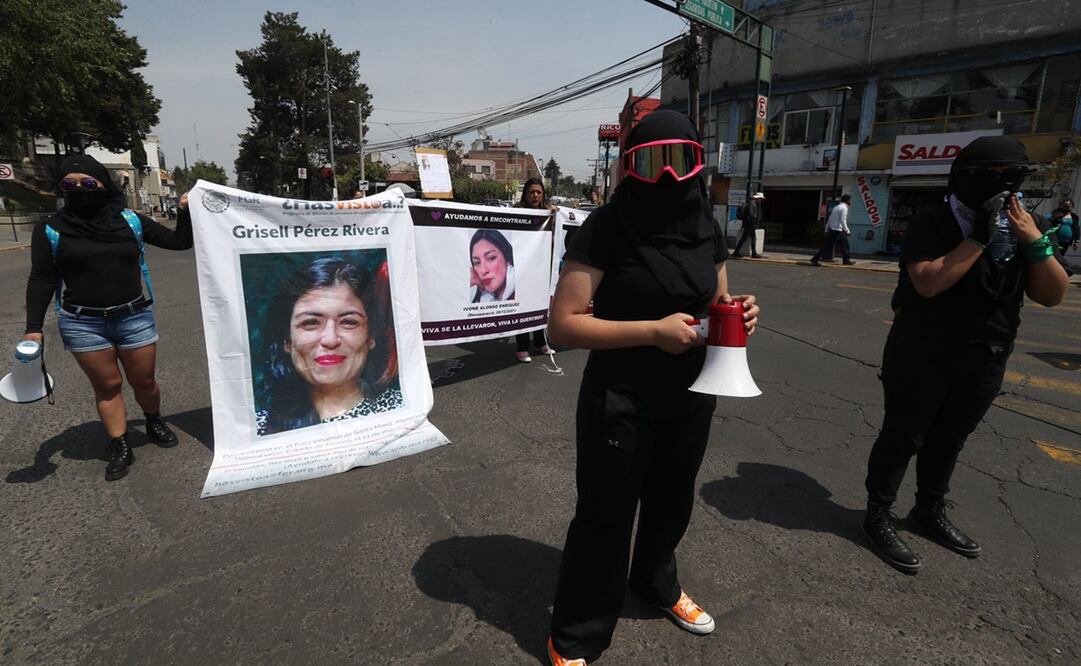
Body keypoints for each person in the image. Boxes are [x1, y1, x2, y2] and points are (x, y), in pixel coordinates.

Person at [545, 111, 760, 665]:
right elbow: (563, 325)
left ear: (697, 163)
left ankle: (656, 583)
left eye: (678, 161)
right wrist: (651, 332)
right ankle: (575, 633)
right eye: (649, 162)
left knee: (671, 501)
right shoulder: (607, 227)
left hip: (692, 393)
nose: (666, 177)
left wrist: (739, 317)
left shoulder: (705, 226)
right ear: (627, 168)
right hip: (621, 396)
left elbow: (717, 302)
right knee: (605, 516)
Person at [862, 136, 1069, 575]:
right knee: (904, 436)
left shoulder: (1023, 225)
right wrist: (979, 234)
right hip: (923, 352)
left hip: (987, 354)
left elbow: (1052, 294)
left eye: (1013, 179)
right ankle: (877, 514)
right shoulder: (933, 222)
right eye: (994, 179)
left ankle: (928, 509)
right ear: (965, 180)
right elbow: (929, 282)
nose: (1005, 189)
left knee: (949, 438)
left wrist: (1034, 240)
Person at [22, 154, 193, 481]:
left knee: (143, 381)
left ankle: (153, 419)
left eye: (87, 183)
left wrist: (184, 211)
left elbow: (180, 242)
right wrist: (33, 329)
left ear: (102, 185)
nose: (79, 189)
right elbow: (42, 279)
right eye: (69, 184)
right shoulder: (50, 229)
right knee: (108, 385)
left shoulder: (130, 221)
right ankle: (120, 442)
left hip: (133, 317)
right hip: (83, 323)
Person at [256, 257, 401, 436]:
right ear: (287, 340)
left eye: (348, 322)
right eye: (310, 323)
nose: (330, 340)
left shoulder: (400, 413)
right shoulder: (259, 428)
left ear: (371, 337)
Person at [513, 177, 554, 363]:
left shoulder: (549, 213)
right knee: (522, 307)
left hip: (541, 269)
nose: (535, 195)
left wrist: (554, 216)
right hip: (521, 269)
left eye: (538, 192)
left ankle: (540, 342)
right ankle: (522, 347)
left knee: (539, 306)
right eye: (531, 192)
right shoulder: (517, 212)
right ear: (525, 194)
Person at [469, 229, 516, 303]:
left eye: (491, 258)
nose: (483, 271)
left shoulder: (524, 291)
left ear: (507, 259)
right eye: (477, 262)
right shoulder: (483, 298)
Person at [810, 194, 855, 266]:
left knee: (844, 244)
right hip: (837, 231)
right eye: (850, 200)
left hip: (834, 230)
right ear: (847, 200)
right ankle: (815, 259)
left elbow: (830, 219)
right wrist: (847, 230)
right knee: (829, 247)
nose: (850, 202)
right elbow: (843, 220)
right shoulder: (844, 208)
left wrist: (826, 229)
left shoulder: (836, 207)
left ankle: (846, 260)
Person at [732, 191, 764, 258]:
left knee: (743, 238)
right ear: (758, 198)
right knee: (753, 238)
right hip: (750, 224)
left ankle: (736, 251)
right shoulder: (752, 204)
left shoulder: (751, 203)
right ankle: (754, 253)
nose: (761, 200)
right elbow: (751, 215)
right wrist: (753, 223)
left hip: (747, 224)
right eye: (760, 199)